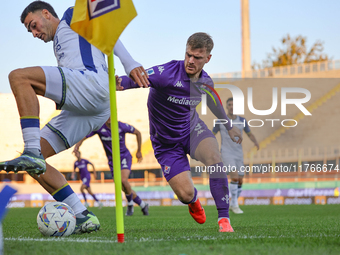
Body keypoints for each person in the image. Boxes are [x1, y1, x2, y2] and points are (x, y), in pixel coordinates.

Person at [0, 1, 149, 234]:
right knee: (35, 164)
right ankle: (82, 215)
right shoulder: (63, 41)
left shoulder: (70, 16)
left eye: (34, 25)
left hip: (89, 85)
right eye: (30, 30)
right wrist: (111, 77)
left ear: (47, 14)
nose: (34, 33)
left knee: (18, 78)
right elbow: (96, 51)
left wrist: (129, 63)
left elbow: (107, 32)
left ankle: (31, 151)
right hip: (94, 105)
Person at [117, 32, 243, 232]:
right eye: (188, 55)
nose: (190, 61)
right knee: (184, 195)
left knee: (214, 158)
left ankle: (224, 219)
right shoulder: (166, 73)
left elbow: (213, 101)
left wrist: (229, 126)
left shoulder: (205, 82)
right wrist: (118, 84)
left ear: (208, 59)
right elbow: (135, 79)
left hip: (192, 130)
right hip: (166, 144)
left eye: (197, 57)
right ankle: (193, 201)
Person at [74, 119, 149, 216]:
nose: (109, 118)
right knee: (123, 187)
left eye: (111, 116)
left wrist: (139, 151)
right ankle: (143, 204)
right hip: (112, 161)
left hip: (124, 157)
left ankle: (130, 205)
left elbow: (138, 133)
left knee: (123, 180)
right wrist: (78, 145)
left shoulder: (122, 126)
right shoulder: (100, 127)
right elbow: (86, 134)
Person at [213, 97, 259, 214]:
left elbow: (249, 133)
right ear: (226, 107)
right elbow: (212, 134)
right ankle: (234, 205)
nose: (231, 107)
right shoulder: (221, 121)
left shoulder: (242, 120)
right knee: (234, 175)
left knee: (240, 180)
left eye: (234, 105)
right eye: (229, 105)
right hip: (226, 152)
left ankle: (234, 202)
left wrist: (255, 142)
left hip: (238, 153)